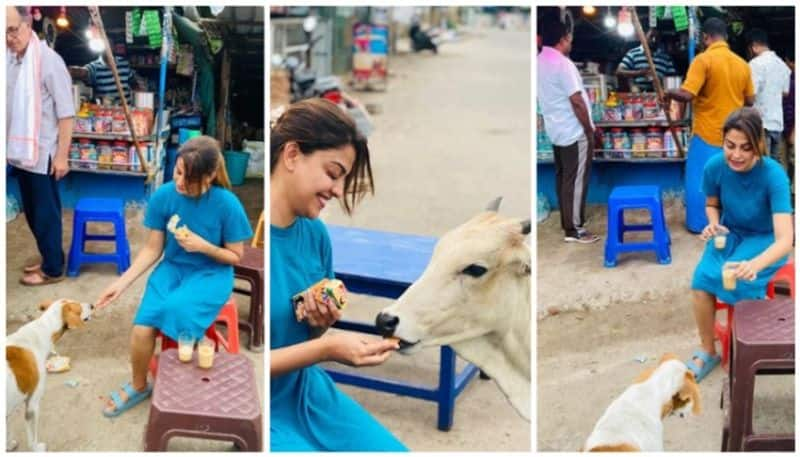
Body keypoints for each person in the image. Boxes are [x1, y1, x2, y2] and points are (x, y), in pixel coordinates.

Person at [270, 99, 406, 451]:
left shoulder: (315, 236)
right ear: (292, 155)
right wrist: (325, 348)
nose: (338, 191)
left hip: (304, 393)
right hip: (253, 401)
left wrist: (320, 323)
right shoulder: (244, 239)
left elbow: (307, 333)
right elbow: (234, 364)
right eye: (333, 173)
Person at [95, 136, 253, 417]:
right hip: (173, 270)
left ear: (209, 176)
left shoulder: (227, 204)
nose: (180, 182)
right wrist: (120, 283)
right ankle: (139, 384)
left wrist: (203, 246)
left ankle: (191, 384)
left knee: (174, 309)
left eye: (189, 178)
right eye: (177, 172)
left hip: (211, 273)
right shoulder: (164, 196)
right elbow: (153, 249)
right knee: (142, 327)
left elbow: (236, 257)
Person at [687, 108, 793, 382]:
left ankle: (750, 349)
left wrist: (754, 265)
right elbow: (713, 204)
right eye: (730, 146)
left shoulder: (774, 175)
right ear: (722, 142)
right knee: (702, 280)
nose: (736, 155)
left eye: (746, 148)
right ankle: (708, 349)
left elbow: (786, 239)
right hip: (730, 233)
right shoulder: (715, 166)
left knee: (741, 280)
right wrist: (713, 223)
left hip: (764, 239)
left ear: (758, 144)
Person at [663, 17, 755, 233]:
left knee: (699, 182)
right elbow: (750, 100)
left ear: (705, 37)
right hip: (734, 138)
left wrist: (667, 92)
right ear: (725, 36)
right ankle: (732, 223)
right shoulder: (742, 64)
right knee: (732, 182)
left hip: (707, 135)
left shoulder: (703, 60)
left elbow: (686, 94)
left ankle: (700, 224)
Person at [6, 6, 74, 286]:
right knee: (33, 213)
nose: (9, 38)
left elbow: (66, 113)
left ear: (27, 25)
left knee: (45, 213)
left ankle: (53, 270)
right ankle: (49, 257)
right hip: (19, 153)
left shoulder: (48, 60)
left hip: (42, 152)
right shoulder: (11, 60)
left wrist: (62, 156)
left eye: (12, 30)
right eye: (3, 33)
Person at [537, 18, 598, 243]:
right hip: (574, 131)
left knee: (564, 177)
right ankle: (574, 229)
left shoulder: (539, 62)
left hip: (555, 130)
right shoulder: (563, 64)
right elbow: (577, 100)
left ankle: (568, 222)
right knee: (577, 179)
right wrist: (588, 129)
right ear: (564, 39)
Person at [746, 28, 791, 167]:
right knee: (774, 166)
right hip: (777, 123)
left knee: (760, 164)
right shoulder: (783, 65)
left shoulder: (755, 64)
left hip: (761, 123)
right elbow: (785, 93)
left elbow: (751, 97)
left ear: (753, 46)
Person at [69, 43, 138, 105]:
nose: (108, 48)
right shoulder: (95, 66)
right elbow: (83, 71)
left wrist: (138, 96)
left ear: (114, 47)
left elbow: (133, 82)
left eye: (110, 45)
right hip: (106, 113)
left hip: (126, 110)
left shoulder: (123, 62)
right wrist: (70, 71)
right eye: (105, 46)